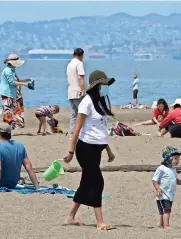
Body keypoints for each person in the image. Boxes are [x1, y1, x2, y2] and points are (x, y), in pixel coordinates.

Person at [63, 70, 116, 230]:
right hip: (85, 149)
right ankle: (100, 222)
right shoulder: (86, 102)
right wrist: (70, 151)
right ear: (97, 85)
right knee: (97, 182)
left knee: (86, 182)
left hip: (97, 149)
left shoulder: (100, 102)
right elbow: (77, 129)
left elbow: (100, 128)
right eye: (103, 84)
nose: (105, 87)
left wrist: (108, 150)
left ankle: (70, 217)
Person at [152, 146, 181, 230]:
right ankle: (166, 225)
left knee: (163, 211)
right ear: (168, 158)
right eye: (175, 158)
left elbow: (175, 180)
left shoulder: (173, 169)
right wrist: (158, 188)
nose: (178, 160)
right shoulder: (161, 169)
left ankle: (161, 223)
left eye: (178, 158)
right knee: (167, 210)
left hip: (170, 195)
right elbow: (154, 180)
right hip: (162, 194)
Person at [0, 54, 34, 129]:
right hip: (7, 93)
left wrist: (26, 79)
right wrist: (25, 84)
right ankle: (5, 130)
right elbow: (12, 82)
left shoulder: (11, 70)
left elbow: (16, 81)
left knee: (12, 111)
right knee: (8, 112)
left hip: (11, 93)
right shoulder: (8, 70)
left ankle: (9, 128)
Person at [67, 48, 86, 134]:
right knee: (83, 112)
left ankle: (72, 131)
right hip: (77, 91)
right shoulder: (79, 63)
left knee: (74, 113)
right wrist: (83, 90)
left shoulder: (70, 64)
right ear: (81, 55)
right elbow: (81, 77)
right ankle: (83, 130)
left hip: (70, 91)